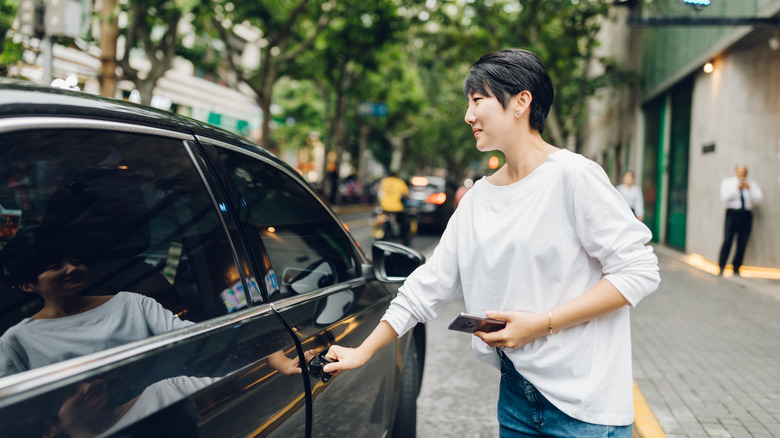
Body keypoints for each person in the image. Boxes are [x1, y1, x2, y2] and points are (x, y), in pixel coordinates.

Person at [322, 48, 660, 437]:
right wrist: (363, 350)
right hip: (516, 398)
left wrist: (540, 324)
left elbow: (639, 270)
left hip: (584, 406)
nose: (468, 116)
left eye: (477, 100)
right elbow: (427, 285)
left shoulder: (574, 177)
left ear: (521, 101)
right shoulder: (479, 198)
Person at [0, 237, 194, 376]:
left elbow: (191, 336)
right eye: (55, 267)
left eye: (76, 262)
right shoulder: (17, 340)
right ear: (28, 285)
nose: (72, 269)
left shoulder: (132, 304)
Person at [717, 165, 762, 277]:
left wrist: (749, 190)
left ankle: (736, 267)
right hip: (732, 213)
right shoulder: (728, 182)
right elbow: (724, 198)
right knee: (728, 239)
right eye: (740, 172)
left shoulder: (752, 184)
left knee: (742, 242)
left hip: (746, 214)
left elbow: (758, 200)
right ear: (735, 172)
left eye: (744, 172)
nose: (742, 174)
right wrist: (736, 188)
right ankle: (721, 266)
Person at [377, 171, 409, 240]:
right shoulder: (400, 182)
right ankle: (403, 237)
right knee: (402, 222)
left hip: (384, 207)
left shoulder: (383, 181)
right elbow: (407, 195)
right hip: (397, 208)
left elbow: (379, 193)